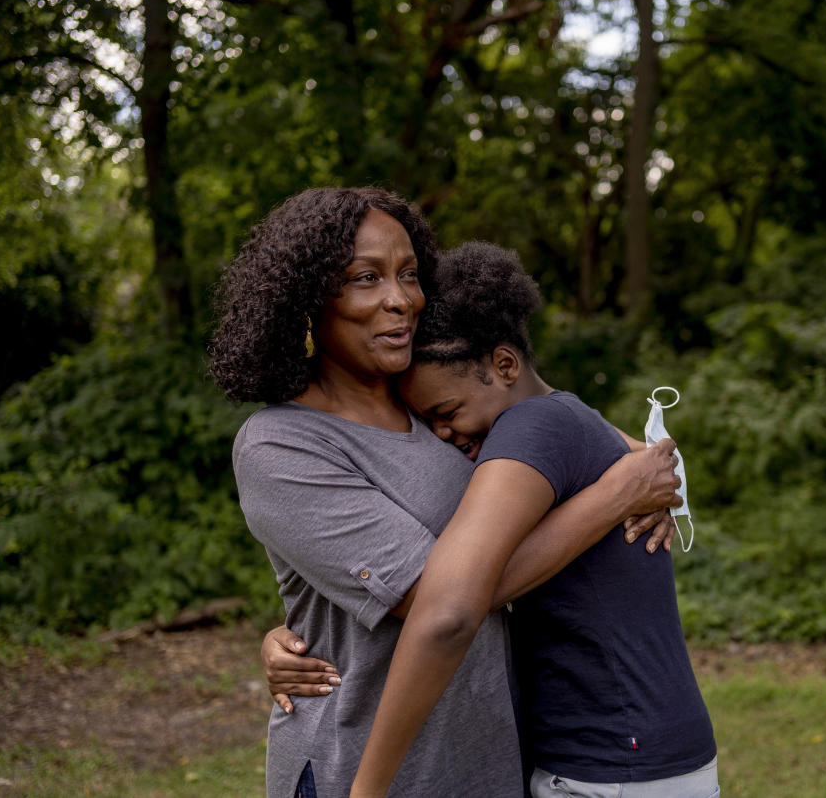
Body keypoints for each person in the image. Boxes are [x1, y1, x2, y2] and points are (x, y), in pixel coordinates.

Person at [208, 187, 681, 798]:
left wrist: (650, 468)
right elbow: (439, 598)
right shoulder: (282, 444)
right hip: (363, 770)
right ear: (307, 299)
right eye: (365, 278)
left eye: (409, 274)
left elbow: (567, 428)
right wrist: (614, 498)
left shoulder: (438, 410)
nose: (399, 298)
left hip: (490, 762)